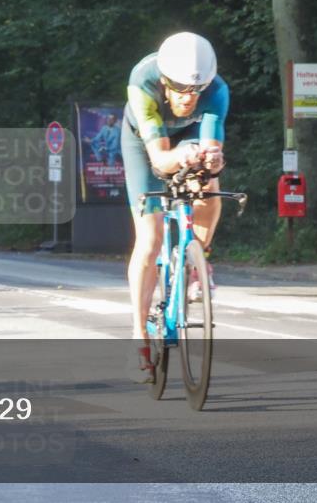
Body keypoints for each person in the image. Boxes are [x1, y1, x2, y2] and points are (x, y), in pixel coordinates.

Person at [120, 32, 228, 382]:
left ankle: (199, 258)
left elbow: (211, 149)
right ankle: (140, 332)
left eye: (195, 91)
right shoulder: (143, 83)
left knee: (209, 186)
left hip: (188, 138)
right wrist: (179, 157)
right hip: (145, 143)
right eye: (180, 89)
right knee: (149, 239)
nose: (187, 98)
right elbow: (159, 158)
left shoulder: (216, 91)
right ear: (165, 81)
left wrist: (211, 160)